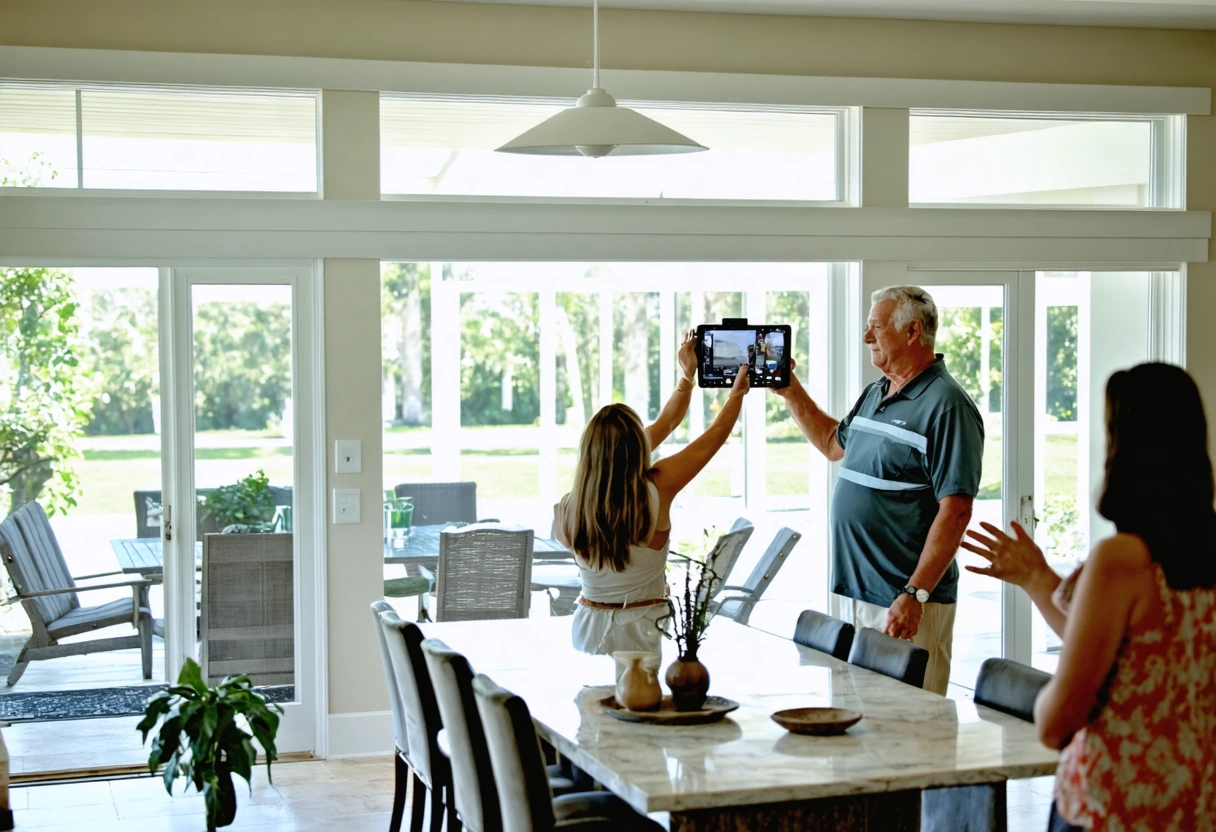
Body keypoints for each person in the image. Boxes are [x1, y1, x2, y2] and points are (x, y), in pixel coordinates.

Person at [962, 363, 1216, 832]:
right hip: (1192, 807)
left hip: (1111, 806)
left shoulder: (1122, 559)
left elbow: (1057, 722)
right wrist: (1038, 577)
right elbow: (1134, 653)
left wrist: (1035, 703)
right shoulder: (1195, 553)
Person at [775, 285, 984, 695]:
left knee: (908, 729)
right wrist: (788, 387)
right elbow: (832, 443)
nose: (867, 337)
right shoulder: (876, 392)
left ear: (912, 331)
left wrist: (914, 594)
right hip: (853, 591)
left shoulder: (948, 407)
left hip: (903, 602)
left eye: (875, 327)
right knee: (856, 724)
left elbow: (956, 510)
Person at [555, 341, 750, 658]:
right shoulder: (656, 488)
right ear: (637, 445)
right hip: (641, 628)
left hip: (588, 627)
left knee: (590, 706)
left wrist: (687, 377)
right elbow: (711, 438)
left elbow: (664, 425)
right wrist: (736, 395)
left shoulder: (567, 507)